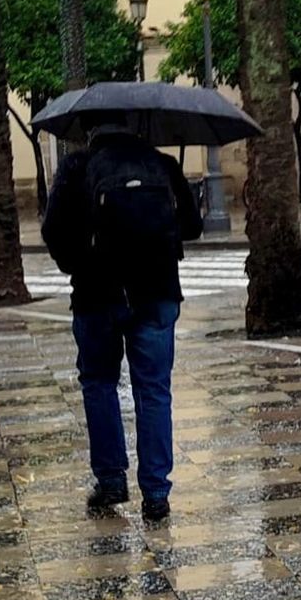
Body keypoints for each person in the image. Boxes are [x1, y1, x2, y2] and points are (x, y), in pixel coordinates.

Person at [41, 115, 202, 522]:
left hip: (97, 295)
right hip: (157, 293)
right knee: (154, 390)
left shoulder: (77, 167)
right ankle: (156, 493)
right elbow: (193, 227)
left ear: (91, 128)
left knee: (99, 384)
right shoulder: (162, 164)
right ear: (136, 125)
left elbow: (53, 231)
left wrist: (77, 264)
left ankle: (111, 480)